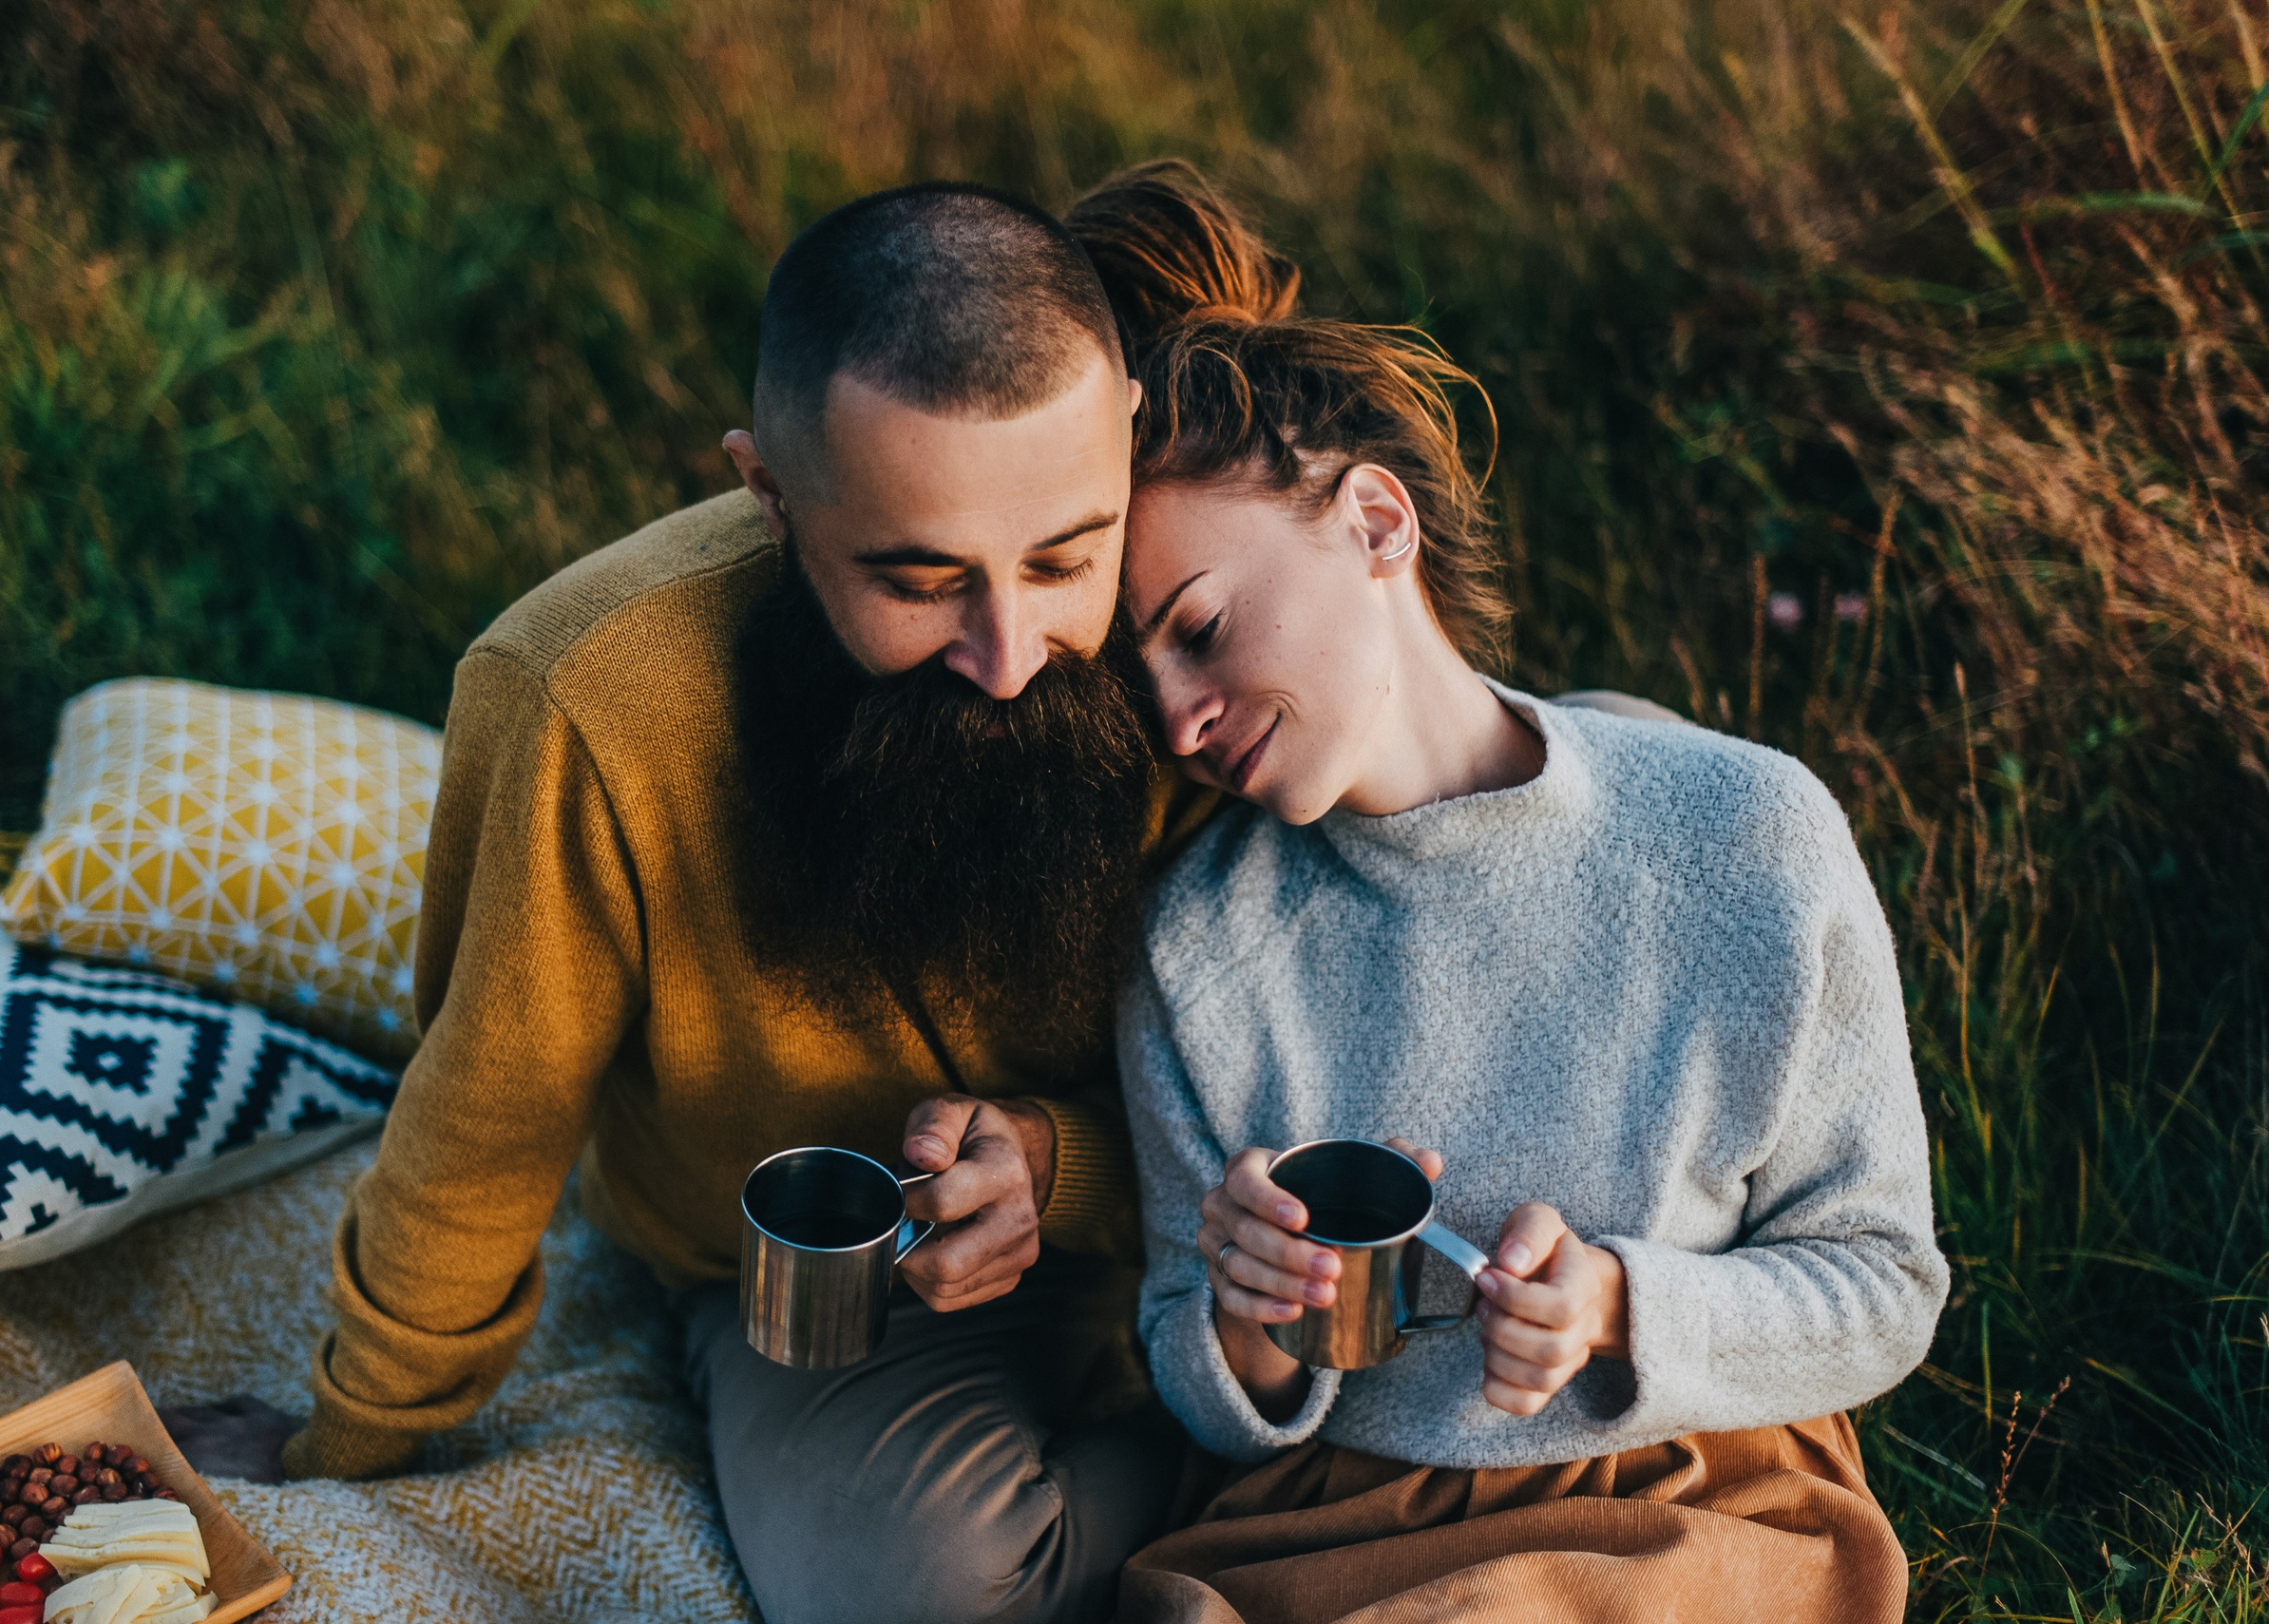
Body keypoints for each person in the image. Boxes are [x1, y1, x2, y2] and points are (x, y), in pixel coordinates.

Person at [165, 181, 1206, 1624]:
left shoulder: (1200, 599)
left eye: (1064, 559)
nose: (1011, 650)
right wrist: (348, 1438)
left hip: (1208, 1190)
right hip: (842, 1277)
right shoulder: (584, 694)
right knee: (917, 1594)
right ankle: (1261, 1478)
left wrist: (1069, 1167)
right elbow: (487, 1110)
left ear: (1130, 441)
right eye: (921, 581)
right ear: (769, 497)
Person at [1099, 174, 1949, 1622]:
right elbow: (1188, 1364)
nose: (1178, 718)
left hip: (1676, 1491)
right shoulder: (1193, 945)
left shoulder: (1746, 837)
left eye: (1200, 630)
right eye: (1143, 684)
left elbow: (1880, 1279)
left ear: (1376, 523)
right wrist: (1246, 1329)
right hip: (1325, 1517)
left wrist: (1627, 1305)